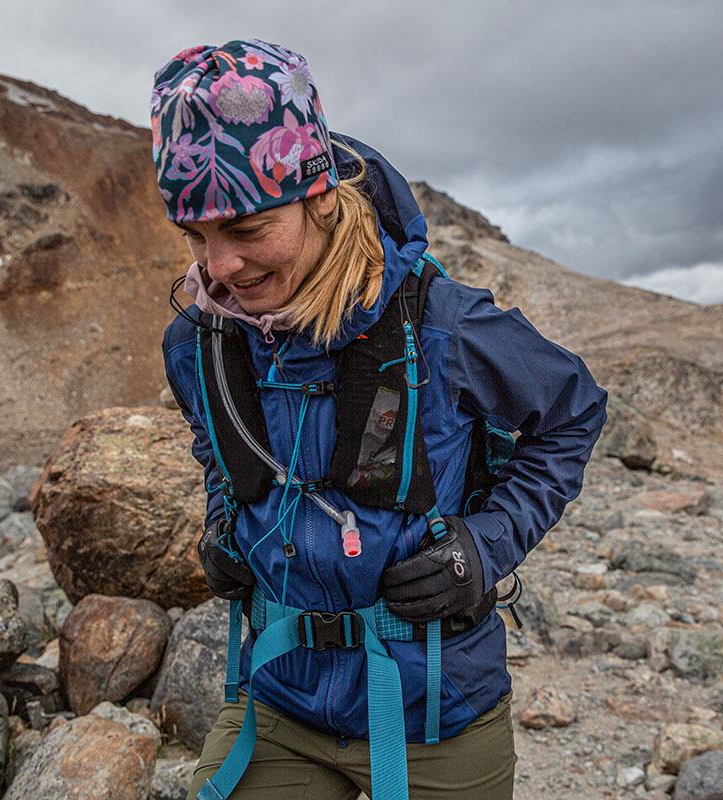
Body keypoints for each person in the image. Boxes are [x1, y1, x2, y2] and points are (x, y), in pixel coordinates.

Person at [153, 39, 607, 800]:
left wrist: (485, 547)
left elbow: (572, 413)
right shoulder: (198, 339)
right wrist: (224, 520)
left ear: (321, 197)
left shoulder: (444, 326)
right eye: (195, 235)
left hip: (438, 711)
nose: (217, 268)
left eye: (247, 229)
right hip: (278, 696)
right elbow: (215, 442)